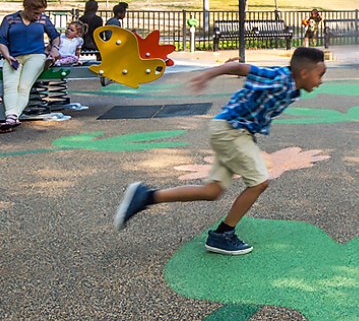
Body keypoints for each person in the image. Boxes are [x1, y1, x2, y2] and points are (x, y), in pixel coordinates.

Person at [114, 47, 327, 255]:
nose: (321, 81)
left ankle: (146, 197)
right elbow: (242, 68)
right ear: (304, 73)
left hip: (232, 131)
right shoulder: (280, 79)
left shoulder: (291, 84)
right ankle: (223, 234)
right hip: (231, 131)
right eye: (320, 75)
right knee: (259, 181)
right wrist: (210, 73)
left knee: (212, 191)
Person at [0, 0, 61, 132]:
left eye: (41, 13)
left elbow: (55, 36)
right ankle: (12, 117)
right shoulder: (10, 19)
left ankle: (11, 117)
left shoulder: (43, 20)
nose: (38, 16)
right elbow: (2, 40)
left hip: (36, 56)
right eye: (35, 13)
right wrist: (7, 56)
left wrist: (55, 49)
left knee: (24, 86)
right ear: (26, 7)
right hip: (14, 57)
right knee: (10, 85)